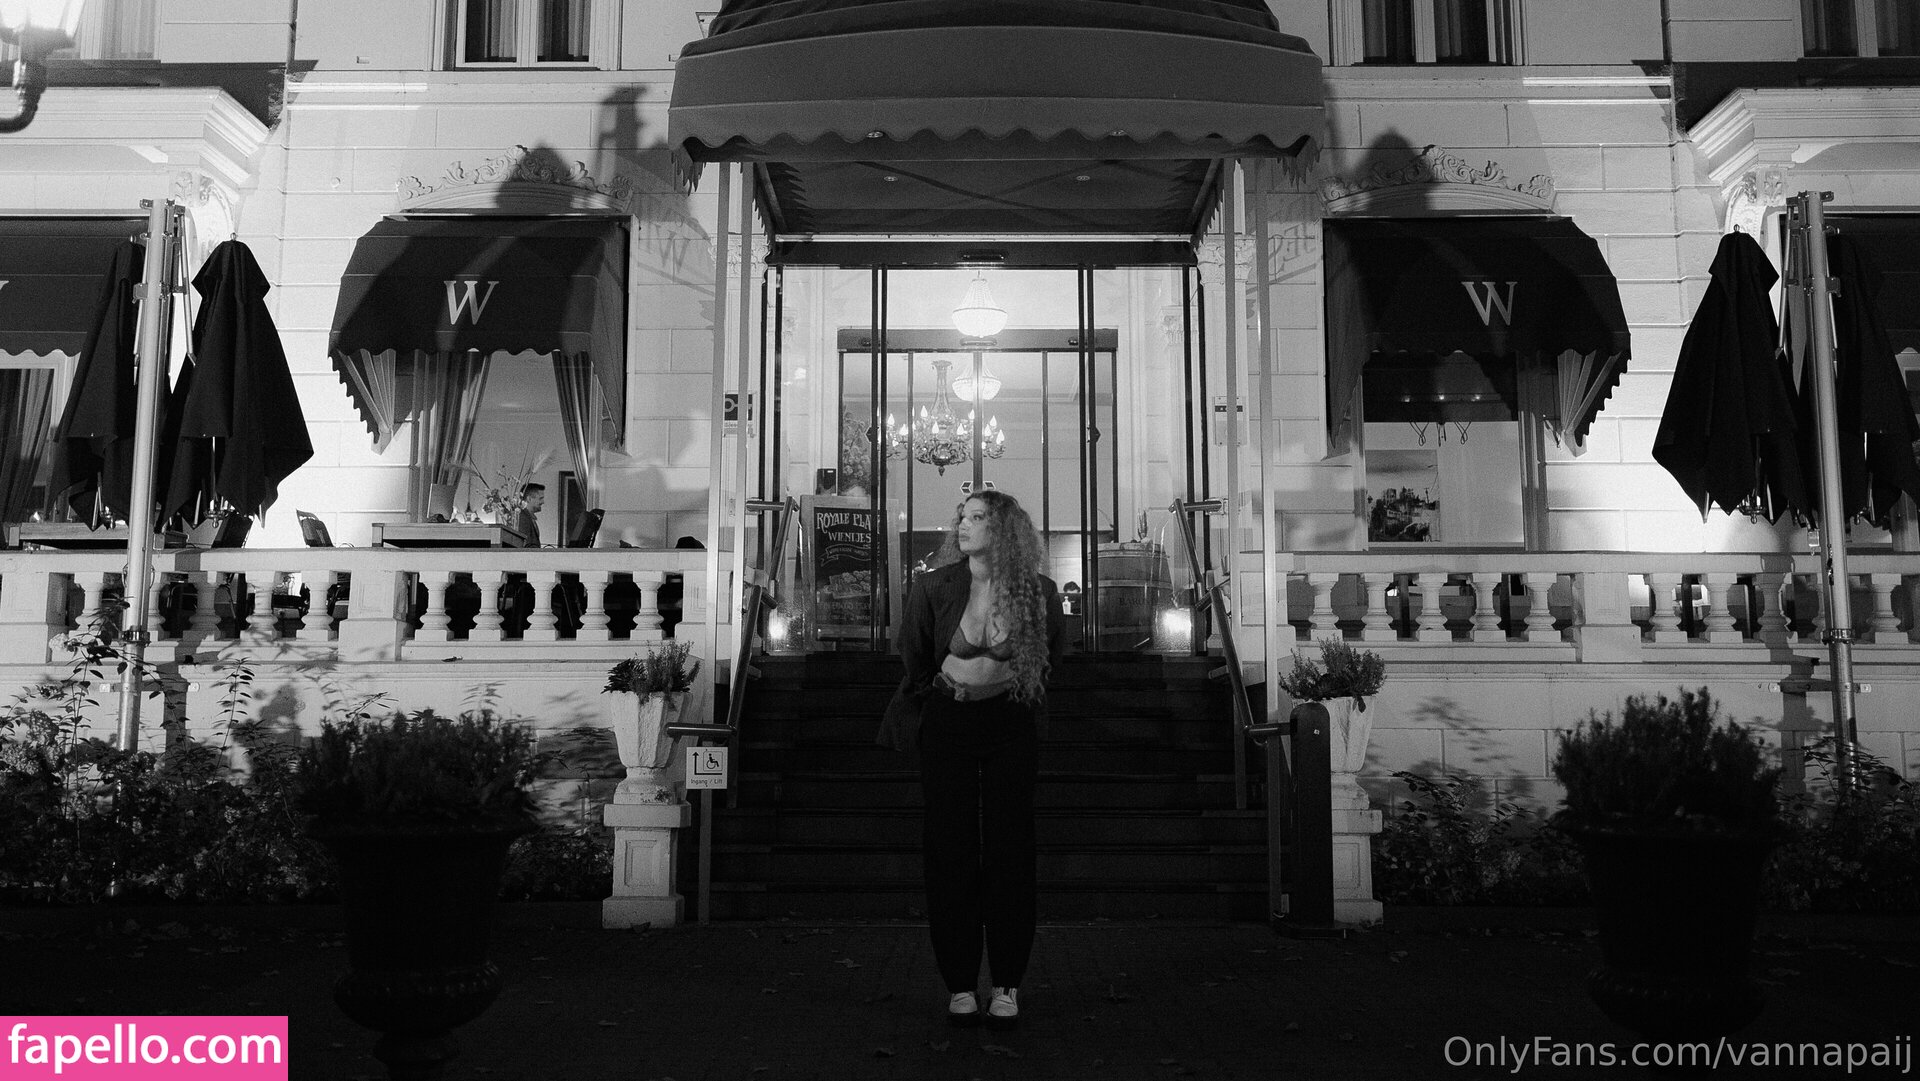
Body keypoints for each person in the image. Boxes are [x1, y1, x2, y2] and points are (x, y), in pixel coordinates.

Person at [879, 490, 1066, 1030]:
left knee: (1011, 849)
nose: (963, 524)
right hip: (949, 720)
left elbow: (1053, 655)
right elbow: (914, 654)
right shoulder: (935, 585)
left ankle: (1007, 983)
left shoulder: (1038, 591)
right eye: (962, 516)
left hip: (1010, 721)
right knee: (950, 849)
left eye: (977, 517)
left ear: (1003, 528)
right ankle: (960, 983)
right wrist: (941, 694)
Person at [511, 482, 546, 547]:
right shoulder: (522, 518)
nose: (543, 502)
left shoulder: (528, 517)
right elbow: (523, 545)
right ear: (529, 499)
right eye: (540, 498)